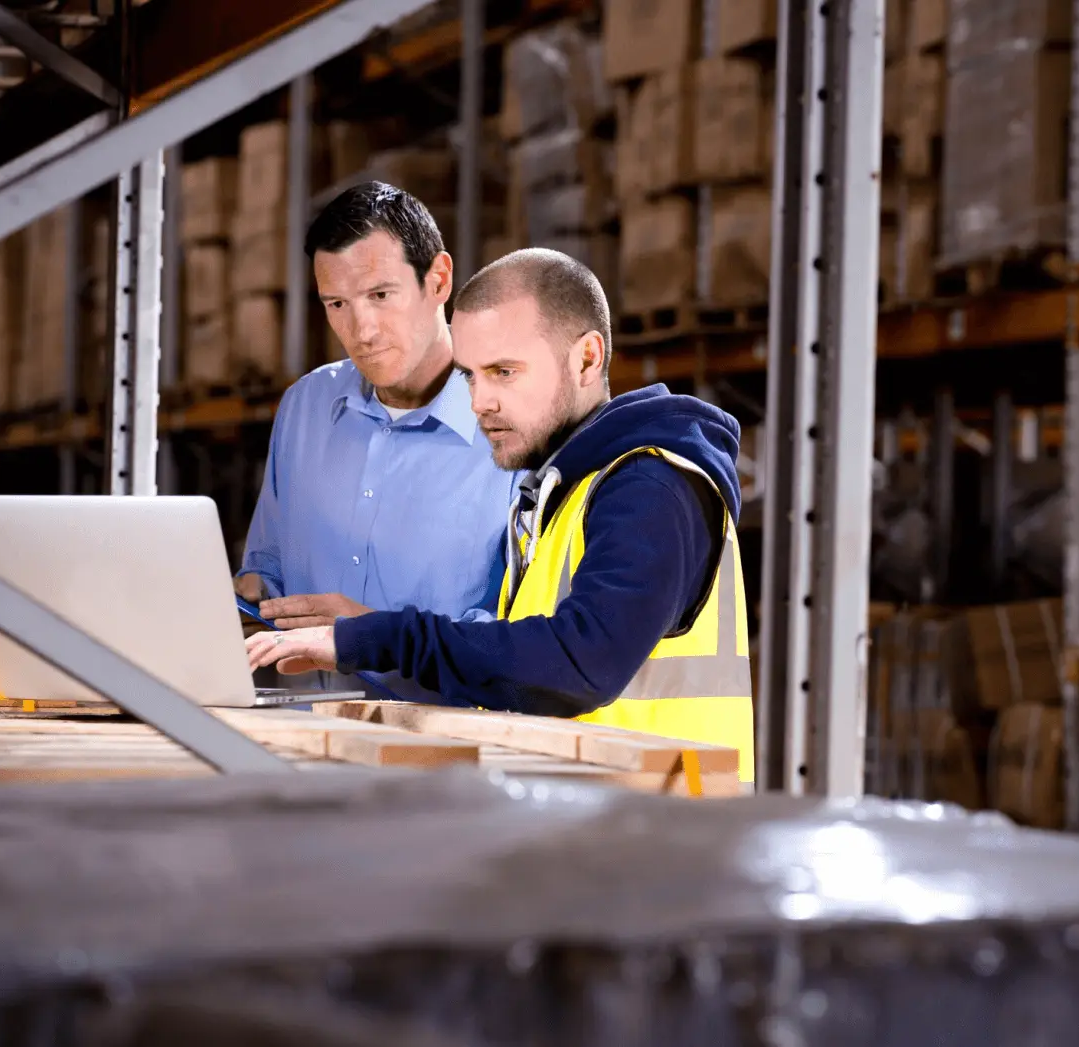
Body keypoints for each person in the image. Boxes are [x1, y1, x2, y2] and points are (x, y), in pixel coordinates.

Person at [245, 248, 756, 779]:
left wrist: (374, 638)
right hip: (604, 830)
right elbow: (520, 667)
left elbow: (580, 664)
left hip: (667, 837)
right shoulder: (562, 494)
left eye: (503, 372)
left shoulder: (652, 487)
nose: (479, 402)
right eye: (469, 376)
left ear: (586, 358)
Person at [235, 182, 517, 635]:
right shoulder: (304, 408)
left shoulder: (513, 427)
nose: (361, 330)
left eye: (380, 296)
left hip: (433, 710)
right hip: (296, 707)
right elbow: (267, 572)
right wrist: (240, 596)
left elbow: (524, 639)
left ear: (438, 281)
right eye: (338, 304)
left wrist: (371, 636)